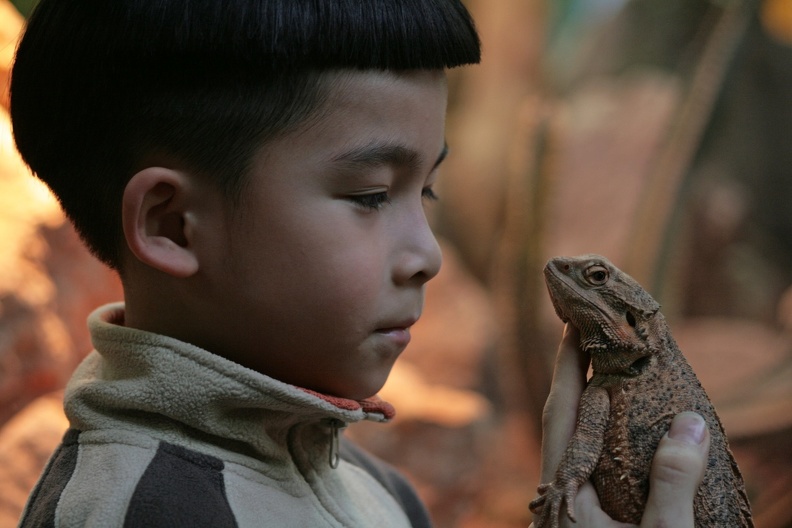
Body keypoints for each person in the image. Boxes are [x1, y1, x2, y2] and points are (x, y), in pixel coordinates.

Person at [9, 0, 709, 526]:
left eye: (426, 189)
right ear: (172, 224)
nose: (428, 256)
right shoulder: (147, 511)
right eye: (372, 195)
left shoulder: (380, 489)